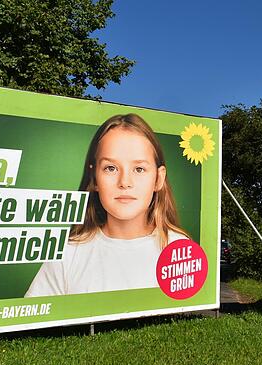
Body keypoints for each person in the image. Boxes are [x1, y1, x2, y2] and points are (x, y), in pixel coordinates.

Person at [26, 114, 187, 297]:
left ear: (159, 178)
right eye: (111, 168)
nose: (125, 182)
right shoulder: (67, 255)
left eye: (139, 169)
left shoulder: (179, 249)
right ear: (94, 177)